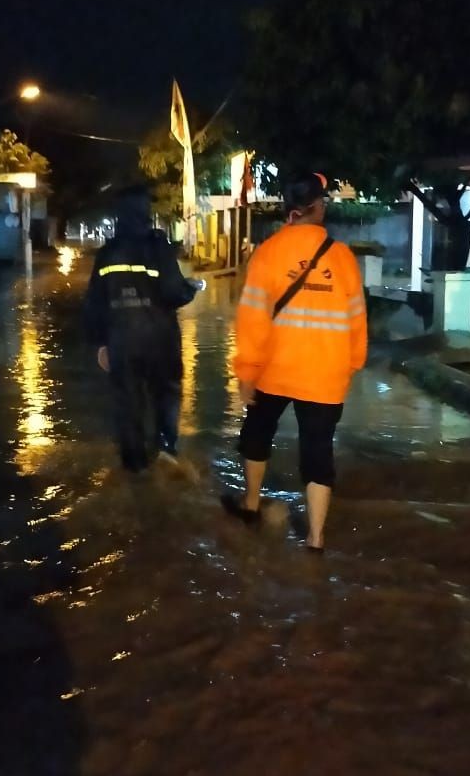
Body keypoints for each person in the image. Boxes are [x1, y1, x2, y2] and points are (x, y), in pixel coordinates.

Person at [223, 174, 367, 551]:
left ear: (289, 210)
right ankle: (316, 539)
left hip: (273, 371)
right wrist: (350, 365)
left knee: (257, 435)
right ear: (317, 207)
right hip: (325, 376)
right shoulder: (343, 257)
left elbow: (251, 319)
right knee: (318, 451)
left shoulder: (268, 252)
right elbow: (357, 319)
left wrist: (246, 372)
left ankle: (251, 505)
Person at [85, 185, 202, 472]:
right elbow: (174, 292)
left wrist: (101, 343)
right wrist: (193, 289)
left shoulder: (106, 254)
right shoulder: (158, 247)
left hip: (121, 341)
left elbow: (94, 304)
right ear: (145, 213)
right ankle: (165, 450)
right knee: (167, 393)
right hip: (160, 339)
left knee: (127, 401)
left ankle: (134, 465)